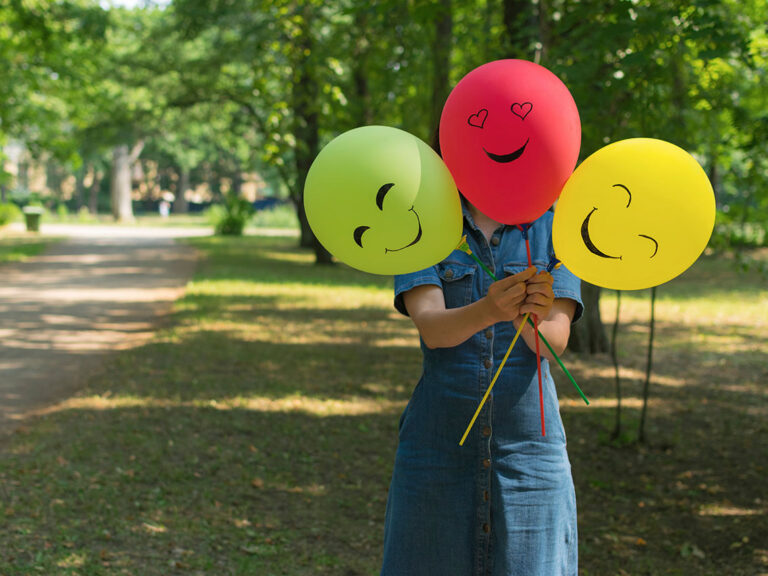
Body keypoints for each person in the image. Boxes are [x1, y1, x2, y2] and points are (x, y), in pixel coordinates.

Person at [380, 196, 583, 576]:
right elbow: (433, 328)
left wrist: (535, 317)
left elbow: (553, 342)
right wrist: (490, 310)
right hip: (436, 450)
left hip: (530, 455)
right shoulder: (419, 225)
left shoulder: (558, 230)